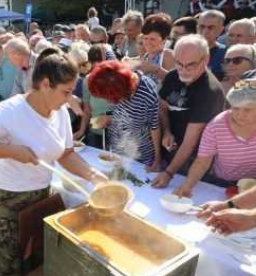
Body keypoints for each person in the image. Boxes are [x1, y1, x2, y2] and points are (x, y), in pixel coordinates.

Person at [0, 49, 108, 275]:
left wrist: (93, 176)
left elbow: (66, 154)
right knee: (11, 263)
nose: (70, 99)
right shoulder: (11, 111)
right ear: (46, 84)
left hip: (40, 194)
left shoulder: (59, 112)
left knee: (38, 256)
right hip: (6, 199)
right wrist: (11, 151)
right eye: (66, 92)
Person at [152, 34, 225, 187]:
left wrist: (169, 173)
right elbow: (163, 106)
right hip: (170, 151)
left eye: (190, 65)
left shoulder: (210, 91)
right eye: (179, 63)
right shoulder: (173, 75)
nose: (183, 70)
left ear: (205, 59)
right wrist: (167, 131)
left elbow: (190, 141)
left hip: (194, 161)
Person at [174, 78, 256, 197]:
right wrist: (187, 186)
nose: (240, 115)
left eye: (247, 109)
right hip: (222, 182)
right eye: (236, 108)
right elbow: (202, 162)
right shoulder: (216, 126)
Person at [88, 60, 162, 168]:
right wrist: (107, 117)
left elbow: (155, 128)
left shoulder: (147, 95)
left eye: (109, 98)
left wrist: (157, 158)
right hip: (116, 150)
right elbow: (120, 111)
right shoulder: (119, 82)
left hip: (139, 157)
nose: (108, 101)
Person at [135, 13, 175, 86]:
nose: (148, 42)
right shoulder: (145, 56)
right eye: (145, 38)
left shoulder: (168, 55)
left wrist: (156, 69)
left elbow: (176, 82)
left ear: (164, 39)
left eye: (152, 39)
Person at [197, 10, 226, 80]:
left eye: (211, 28)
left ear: (221, 30)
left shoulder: (227, 54)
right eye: (202, 27)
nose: (205, 32)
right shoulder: (185, 50)